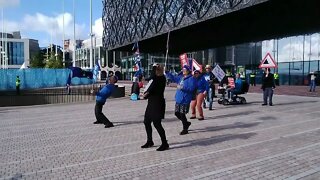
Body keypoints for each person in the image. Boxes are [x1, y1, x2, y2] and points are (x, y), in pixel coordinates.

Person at [141, 64, 169, 151]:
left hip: (157, 103)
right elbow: (151, 78)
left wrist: (145, 95)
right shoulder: (155, 78)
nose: (155, 71)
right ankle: (150, 141)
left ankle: (165, 143)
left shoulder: (160, 79)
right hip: (151, 103)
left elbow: (152, 89)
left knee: (157, 124)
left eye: (157, 70)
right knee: (146, 121)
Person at [174, 65, 197, 135]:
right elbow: (174, 78)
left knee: (182, 114)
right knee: (176, 113)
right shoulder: (181, 78)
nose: (183, 71)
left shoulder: (192, 79)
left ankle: (185, 129)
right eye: (183, 69)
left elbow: (191, 89)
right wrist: (167, 72)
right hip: (179, 98)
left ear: (188, 71)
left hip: (185, 99)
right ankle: (186, 123)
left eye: (185, 70)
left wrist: (182, 88)